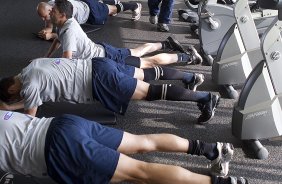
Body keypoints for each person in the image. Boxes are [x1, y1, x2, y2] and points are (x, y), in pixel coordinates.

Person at [0, 110, 248, 184]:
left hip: (60, 147)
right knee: (143, 143)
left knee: (141, 173)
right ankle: (213, 149)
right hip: (62, 124)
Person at [0, 57, 218, 123]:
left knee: (149, 92)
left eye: (15, 96)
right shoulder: (30, 67)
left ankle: (204, 97)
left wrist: (6, 112)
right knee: (147, 74)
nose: (20, 96)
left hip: (99, 80)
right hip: (99, 65)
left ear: (12, 89)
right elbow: (32, 101)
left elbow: (29, 120)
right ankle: (190, 77)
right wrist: (10, 104)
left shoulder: (29, 88)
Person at [45, 0, 203, 68]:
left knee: (146, 62)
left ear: (63, 15)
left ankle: (187, 56)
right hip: (103, 53)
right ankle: (166, 44)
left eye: (53, 11)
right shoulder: (63, 24)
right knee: (138, 54)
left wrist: (48, 65)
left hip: (107, 57)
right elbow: (58, 40)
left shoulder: (69, 29)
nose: (49, 12)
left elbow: (66, 62)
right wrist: (47, 57)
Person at [37, 0, 142, 40]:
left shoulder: (66, 14)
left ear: (51, 10)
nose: (43, 19)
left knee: (112, 10)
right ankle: (108, 3)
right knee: (104, 6)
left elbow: (68, 34)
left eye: (44, 16)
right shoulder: (51, 6)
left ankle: (135, 5)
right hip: (83, 4)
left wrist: (51, 36)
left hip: (91, 12)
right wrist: (47, 29)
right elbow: (49, 23)